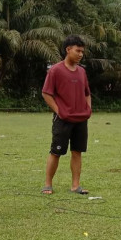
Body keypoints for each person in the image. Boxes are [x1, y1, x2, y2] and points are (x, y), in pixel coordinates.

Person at [41, 35, 92, 195]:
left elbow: (87, 93)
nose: (80, 54)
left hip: (81, 119)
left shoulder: (82, 72)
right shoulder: (56, 70)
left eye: (82, 51)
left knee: (77, 152)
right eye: (78, 51)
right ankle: (48, 184)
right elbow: (46, 93)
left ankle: (75, 185)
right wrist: (59, 110)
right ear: (68, 49)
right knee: (56, 152)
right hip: (63, 120)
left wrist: (88, 109)